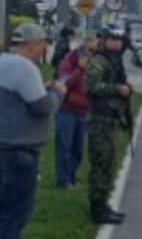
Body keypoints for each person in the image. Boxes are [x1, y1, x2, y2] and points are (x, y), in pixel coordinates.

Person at [0, 23, 66, 238]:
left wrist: (43, 88)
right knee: (14, 217)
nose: (44, 50)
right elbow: (43, 107)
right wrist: (58, 93)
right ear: (34, 44)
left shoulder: (0, 63)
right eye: (43, 45)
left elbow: (17, 97)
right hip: (17, 153)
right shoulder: (26, 68)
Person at [85, 26, 132, 225]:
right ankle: (97, 208)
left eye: (119, 40)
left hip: (110, 119)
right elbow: (91, 87)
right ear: (104, 40)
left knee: (108, 163)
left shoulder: (114, 60)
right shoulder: (99, 61)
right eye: (113, 39)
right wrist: (117, 89)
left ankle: (103, 204)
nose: (116, 43)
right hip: (100, 120)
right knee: (100, 164)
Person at [54, 37, 94, 190]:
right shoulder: (67, 64)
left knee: (77, 149)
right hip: (67, 110)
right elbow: (65, 83)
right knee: (64, 146)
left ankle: (71, 177)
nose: (90, 56)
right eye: (89, 52)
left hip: (82, 111)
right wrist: (80, 70)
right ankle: (63, 181)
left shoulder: (90, 67)